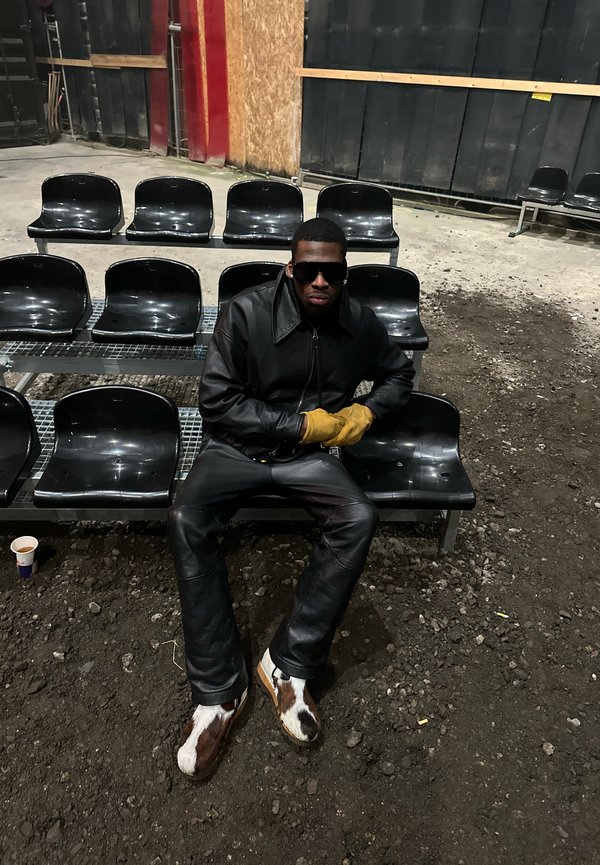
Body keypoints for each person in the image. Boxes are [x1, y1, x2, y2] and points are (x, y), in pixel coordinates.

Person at [168, 217, 414, 779]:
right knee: (186, 517)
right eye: (310, 271)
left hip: (306, 462)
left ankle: (287, 663)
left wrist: (366, 411)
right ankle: (217, 693)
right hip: (238, 449)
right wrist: (302, 427)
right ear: (291, 269)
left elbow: (400, 374)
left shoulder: (358, 321)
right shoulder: (246, 312)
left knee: (357, 515)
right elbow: (218, 402)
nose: (321, 282)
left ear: (345, 273)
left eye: (332, 271)